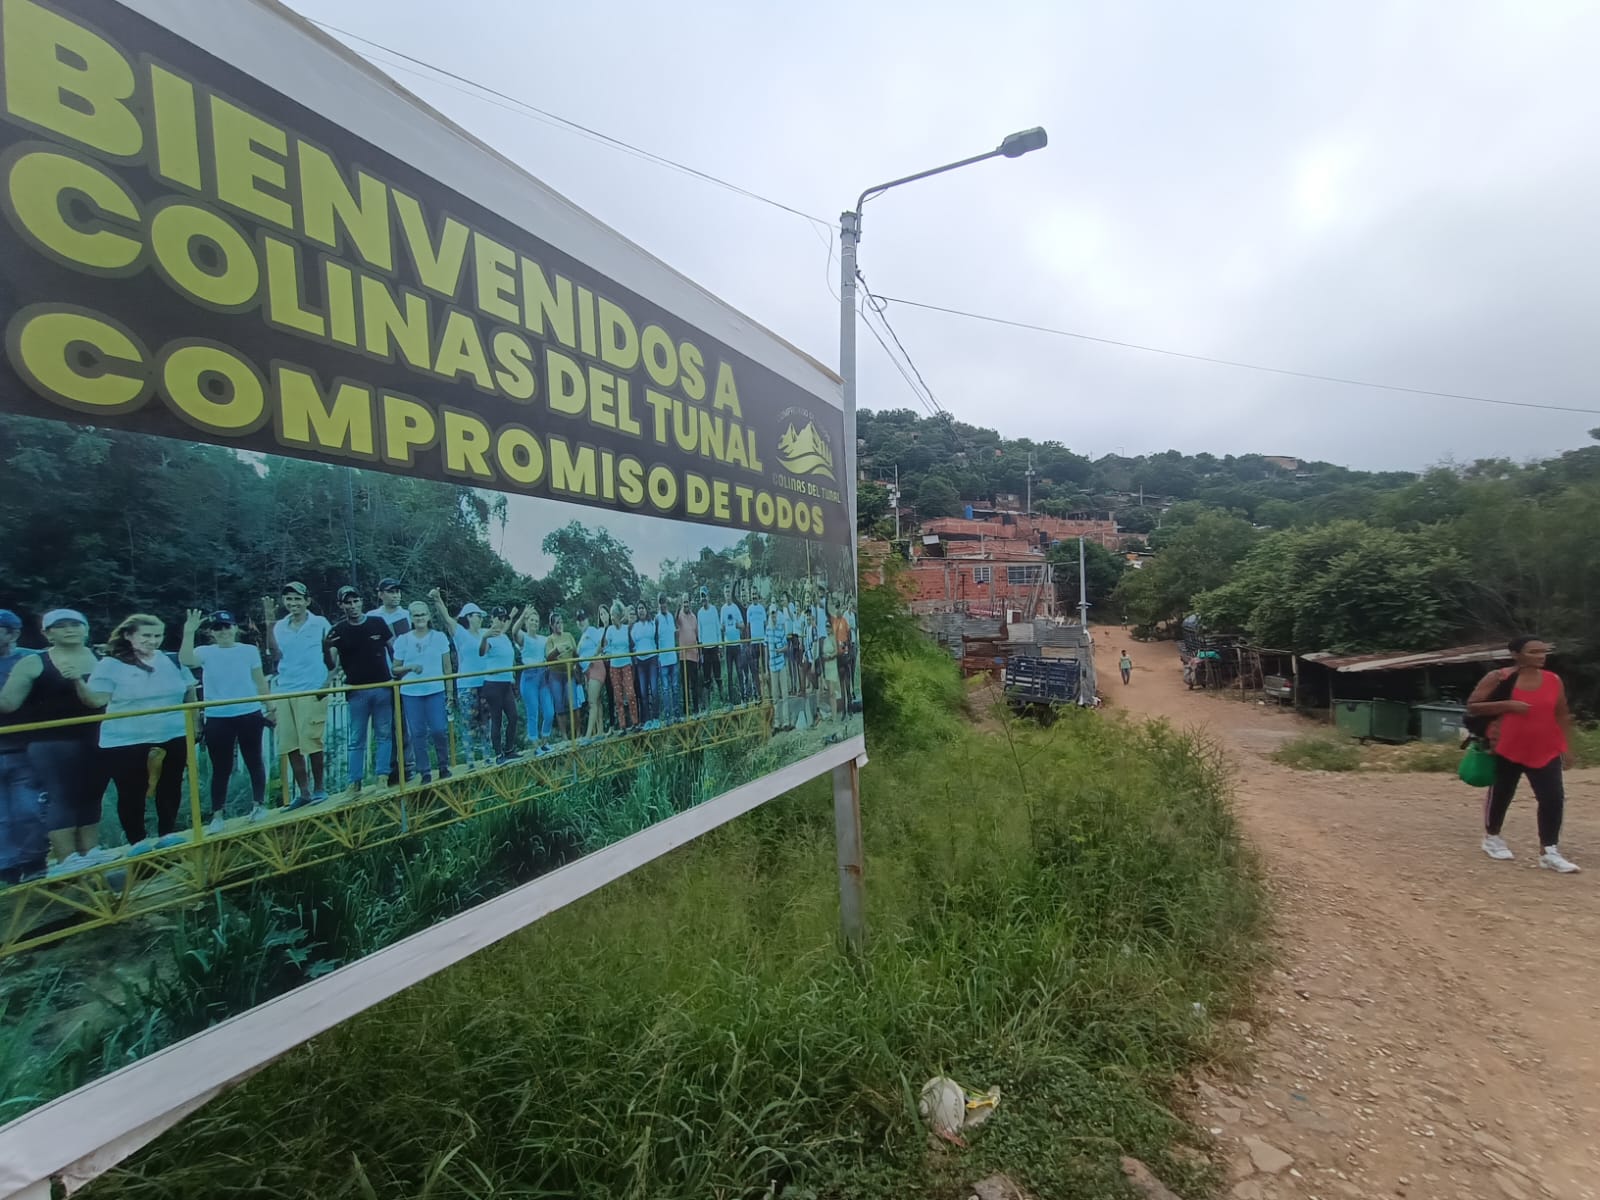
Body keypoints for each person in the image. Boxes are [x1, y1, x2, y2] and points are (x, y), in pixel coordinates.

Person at [1, 609, 107, 872]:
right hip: (51, 740)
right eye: (60, 626)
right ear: (47, 633)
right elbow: (9, 704)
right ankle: (66, 858)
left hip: (99, 737)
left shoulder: (103, 659)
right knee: (61, 796)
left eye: (75, 624)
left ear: (86, 628)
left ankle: (91, 851)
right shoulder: (34, 662)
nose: (69, 629)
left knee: (92, 795)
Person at [80, 613, 196, 850]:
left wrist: (194, 725)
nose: (152, 641)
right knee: (132, 790)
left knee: (171, 786)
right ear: (128, 635)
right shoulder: (110, 665)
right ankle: (138, 841)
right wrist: (76, 682)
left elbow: (189, 691)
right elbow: (96, 700)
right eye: (146, 636)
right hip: (126, 738)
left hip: (171, 732)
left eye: (157, 636)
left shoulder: (172, 660)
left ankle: (166, 834)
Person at [1469, 636, 1579, 873]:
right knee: (1502, 793)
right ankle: (1492, 838)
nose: (1541, 656)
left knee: (1553, 798)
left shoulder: (1553, 680)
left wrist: (1567, 748)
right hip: (1507, 747)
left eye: (1543, 651)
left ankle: (1549, 851)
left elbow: (1561, 714)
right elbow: (1473, 706)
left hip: (1545, 748)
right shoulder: (1500, 677)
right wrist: (1508, 705)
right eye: (1533, 652)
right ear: (1516, 654)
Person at [180, 609, 270, 830]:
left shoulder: (248, 651)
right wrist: (189, 632)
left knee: (254, 760)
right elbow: (185, 659)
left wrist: (270, 706)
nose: (223, 632)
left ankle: (258, 805)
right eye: (218, 628)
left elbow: (260, 681)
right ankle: (217, 815)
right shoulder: (205, 652)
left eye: (227, 627)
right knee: (221, 767)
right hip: (219, 715)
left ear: (235, 628)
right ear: (212, 632)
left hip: (248, 712)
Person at [262, 583, 332, 808]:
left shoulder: (319, 623)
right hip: (285, 689)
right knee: (290, 743)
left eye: (297, 599)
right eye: (289, 599)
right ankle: (304, 792)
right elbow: (274, 654)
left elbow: (332, 653)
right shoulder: (280, 626)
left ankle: (320, 788)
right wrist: (269, 623)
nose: (293, 603)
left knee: (311, 739)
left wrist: (327, 682)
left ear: (307, 601)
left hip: (311, 689)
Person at [323, 587, 394, 798]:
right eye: (348, 603)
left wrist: (397, 674)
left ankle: (382, 777)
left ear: (361, 601)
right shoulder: (337, 630)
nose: (352, 606)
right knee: (356, 738)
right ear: (341, 605)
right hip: (356, 692)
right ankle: (354, 783)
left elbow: (394, 648)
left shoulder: (377, 623)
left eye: (355, 601)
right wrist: (325, 648)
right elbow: (331, 665)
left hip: (382, 687)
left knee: (384, 734)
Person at [0, 608, 47, 883]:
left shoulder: (32, 660)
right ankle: (6, 869)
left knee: (28, 809)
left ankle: (33, 862)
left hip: (25, 746)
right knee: (2, 816)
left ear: (13, 633)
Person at [389, 601, 452, 783]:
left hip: (435, 690)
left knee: (439, 730)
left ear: (429, 616)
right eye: (416, 615)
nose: (420, 618)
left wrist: (449, 693)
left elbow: (447, 667)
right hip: (411, 693)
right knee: (417, 733)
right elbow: (395, 669)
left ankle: (443, 765)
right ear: (411, 618)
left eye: (423, 614)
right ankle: (424, 771)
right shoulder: (403, 640)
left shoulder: (439, 637)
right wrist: (410, 667)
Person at [431, 591, 491, 769]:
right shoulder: (460, 633)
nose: (479, 618)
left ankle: (488, 757)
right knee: (469, 723)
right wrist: (437, 599)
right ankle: (471, 761)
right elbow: (447, 618)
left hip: (485, 682)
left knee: (486, 723)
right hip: (467, 684)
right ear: (468, 617)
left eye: (481, 616)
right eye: (476, 615)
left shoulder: (485, 633)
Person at [367, 577, 411, 783]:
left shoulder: (407, 615)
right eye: (390, 591)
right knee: (384, 726)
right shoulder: (372, 616)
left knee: (404, 723)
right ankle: (389, 768)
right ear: (380, 594)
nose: (395, 595)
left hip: (403, 675)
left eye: (397, 591)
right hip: (380, 675)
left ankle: (407, 766)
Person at [476, 606, 520, 762]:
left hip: (506, 682)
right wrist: (484, 637)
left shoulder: (503, 636)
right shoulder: (487, 635)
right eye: (498, 618)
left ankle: (509, 749)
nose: (501, 621)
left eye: (503, 619)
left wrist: (512, 616)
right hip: (493, 684)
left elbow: (505, 627)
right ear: (492, 618)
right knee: (497, 719)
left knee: (513, 716)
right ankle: (498, 753)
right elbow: (482, 652)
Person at [511, 605, 553, 751]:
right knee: (533, 712)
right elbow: (514, 631)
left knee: (549, 712)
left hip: (542, 676)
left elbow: (552, 646)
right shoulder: (523, 637)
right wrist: (523, 615)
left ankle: (545, 740)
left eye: (536, 621)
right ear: (527, 623)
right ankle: (535, 744)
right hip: (529, 677)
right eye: (532, 620)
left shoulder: (543, 639)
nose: (534, 623)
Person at [543, 610, 579, 742]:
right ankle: (564, 735)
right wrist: (558, 650)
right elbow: (548, 657)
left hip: (569, 673)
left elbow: (576, 654)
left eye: (561, 622)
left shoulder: (569, 636)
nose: (560, 625)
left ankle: (577, 733)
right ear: (552, 626)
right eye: (557, 623)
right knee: (559, 705)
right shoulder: (550, 639)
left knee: (573, 703)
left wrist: (575, 663)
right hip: (556, 674)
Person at [604, 601, 638, 732]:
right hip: (614, 666)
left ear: (618, 615)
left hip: (626, 664)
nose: (612, 617)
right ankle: (622, 725)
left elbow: (632, 644)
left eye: (614, 615)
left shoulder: (626, 629)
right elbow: (606, 647)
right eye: (611, 615)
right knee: (618, 696)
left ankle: (635, 722)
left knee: (630, 694)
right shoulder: (610, 631)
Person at [576, 608, 606, 739]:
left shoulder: (592, 631)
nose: (581, 622)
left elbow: (602, 642)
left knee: (592, 702)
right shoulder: (582, 637)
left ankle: (588, 735)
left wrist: (594, 656)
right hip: (586, 671)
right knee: (597, 701)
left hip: (595, 667)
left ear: (587, 619)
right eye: (579, 620)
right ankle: (600, 731)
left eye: (583, 619)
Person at [653, 594, 680, 723]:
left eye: (664, 602)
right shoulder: (656, 619)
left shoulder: (670, 617)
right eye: (660, 602)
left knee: (675, 687)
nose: (663, 605)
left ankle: (677, 714)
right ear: (658, 604)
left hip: (673, 658)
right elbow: (655, 639)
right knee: (665, 689)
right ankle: (668, 716)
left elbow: (674, 635)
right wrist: (658, 656)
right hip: (663, 660)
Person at [766, 598, 791, 731]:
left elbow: (787, 647)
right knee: (775, 695)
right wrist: (765, 667)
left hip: (781, 664)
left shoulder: (781, 629)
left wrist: (779, 650)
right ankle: (777, 723)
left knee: (784, 693)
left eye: (775, 613)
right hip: (772, 665)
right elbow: (765, 648)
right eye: (772, 614)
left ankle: (786, 722)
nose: (774, 616)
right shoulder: (768, 630)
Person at [696, 587, 722, 709]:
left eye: (704, 596)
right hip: (705, 649)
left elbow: (718, 628)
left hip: (715, 647)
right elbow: (699, 633)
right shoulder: (699, 613)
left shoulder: (714, 610)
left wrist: (720, 646)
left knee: (718, 676)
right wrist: (701, 652)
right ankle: (708, 705)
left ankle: (721, 700)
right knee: (706, 679)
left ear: (708, 596)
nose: (703, 599)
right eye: (701, 596)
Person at [719, 583, 745, 705]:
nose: (728, 594)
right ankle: (730, 701)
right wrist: (723, 628)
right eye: (726, 592)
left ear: (731, 594)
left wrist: (737, 625)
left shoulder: (735, 608)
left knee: (739, 671)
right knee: (729, 673)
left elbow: (743, 625)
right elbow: (721, 627)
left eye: (729, 592)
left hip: (737, 645)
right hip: (728, 646)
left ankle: (743, 697)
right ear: (724, 594)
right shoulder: (723, 609)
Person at [676, 593, 700, 715]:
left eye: (687, 602)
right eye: (684, 602)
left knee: (694, 684)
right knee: (685, 685)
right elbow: (675, 619)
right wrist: (677, 606)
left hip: (694, 655)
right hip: (683, 657)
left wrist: (699, 654)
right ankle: (686, 711)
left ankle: (696, 710)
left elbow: (697, 635)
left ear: (690, 603)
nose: (686, 604)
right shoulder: (679, 616)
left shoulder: (694, 617)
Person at [744, 584, 768, 706]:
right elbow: (747, 627)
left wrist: (766, 641)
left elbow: (765, 624)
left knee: (764, 668)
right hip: (753, 643)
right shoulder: (749, 610)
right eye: (752, 595)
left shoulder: (762, 609)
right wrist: (748, 644)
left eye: (755, 594)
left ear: (758, 596)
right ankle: (759, 695)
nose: (754, 597)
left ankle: (767, 693)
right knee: (754, 671)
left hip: (762, 642)